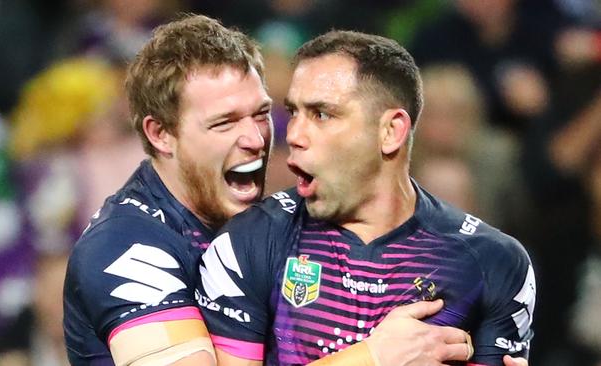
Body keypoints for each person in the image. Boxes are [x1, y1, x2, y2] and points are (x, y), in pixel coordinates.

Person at [63, 14, 528, 366]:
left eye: (261, 113)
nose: (257, 138)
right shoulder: (126, 247)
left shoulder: (265, 223)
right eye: (225, 122)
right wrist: (373, 357)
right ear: (161, 134)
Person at [195, 30, 535, 366]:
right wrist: (373, 358)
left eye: (321, 114)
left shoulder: (492, 263)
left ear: (391, 131)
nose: (294, 134)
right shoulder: (249, 242)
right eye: (293, 112)